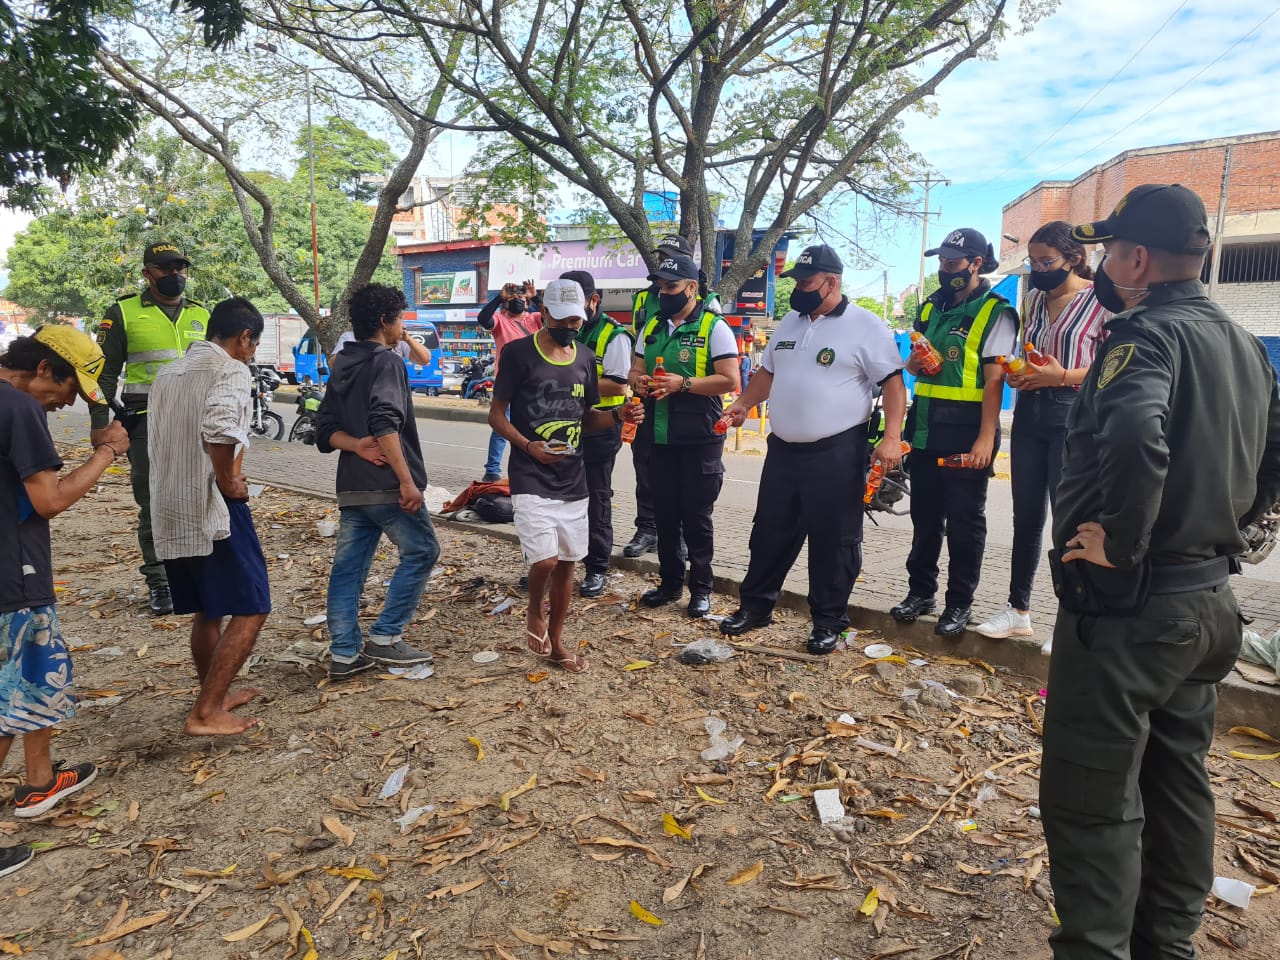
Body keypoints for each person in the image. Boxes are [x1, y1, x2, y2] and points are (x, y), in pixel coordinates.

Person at [1040, 183, 1280, 960]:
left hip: (1132, 614)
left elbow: (1135, 437)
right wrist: (1242, 527)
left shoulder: (1143, 336)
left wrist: (1122, 542)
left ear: (1138, 258)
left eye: (1111, 252)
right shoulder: (1243, 343)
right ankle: (1167, 945)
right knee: (1179, 783)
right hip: (1207, 604)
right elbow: (1274, 449)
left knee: (1092, 799)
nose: (1105, 268)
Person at [719, 245, 907, 653]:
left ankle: (828, 621)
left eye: (806, 282)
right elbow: (768, 372)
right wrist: (743, 404)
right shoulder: (790, 322)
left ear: (831, 281)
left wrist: (892, 438)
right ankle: (755, 607)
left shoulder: (865, 326)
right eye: (797, 282)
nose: (798, 289)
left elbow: (894, 384)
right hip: (783, 452)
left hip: (836, 452)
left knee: (834, 541)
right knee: (769, 532)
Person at [1, 327, 130, 877]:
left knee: (33, 673)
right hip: (13, 571)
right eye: (70, 387)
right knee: (12, 686)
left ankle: (40, 780)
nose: (69, 402)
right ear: (44, 369)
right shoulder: (19, 409)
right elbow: (49, 499)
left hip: (15, 567)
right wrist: (106, 453)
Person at [490, 278, 644, 671]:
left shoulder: (585, 358)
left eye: (576, 320)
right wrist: (528, 446)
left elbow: (587, 418)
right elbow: (496, 415)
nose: (569, 327)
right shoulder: (517, 353)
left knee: (568, 564)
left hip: (573, 478)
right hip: (530, 472)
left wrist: (618, 414)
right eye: (561, 320)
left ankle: (557, 643)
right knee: (544, 560)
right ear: (544, 313)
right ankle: (533, 610)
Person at [974, 222, 1110, 651]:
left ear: (1073, 258)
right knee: (1026, 517)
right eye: (1032, 262)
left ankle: (1073, 620)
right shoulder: (1032, 300)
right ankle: (1018, 611)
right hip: (1030, 414)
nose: (1038, 269)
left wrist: (1062, 375)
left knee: (1069, 521)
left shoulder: (1101, 301)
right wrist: (1021, 374)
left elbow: (1114, 365)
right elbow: (1027, 354)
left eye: (1046, 261)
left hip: (1074, 414)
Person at [148, 298, 272, 736]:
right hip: (211, 504)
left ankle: (213, 696)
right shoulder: (231, 369)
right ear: (244, 337)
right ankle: (205, 713)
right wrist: (227, 478)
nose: (252, 353)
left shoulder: (169, 372)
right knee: (253, 606)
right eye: (253, 345)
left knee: (208, 607)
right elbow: (220, 428)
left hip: (170, 503)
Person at [891, 227, 1017, 637]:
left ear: (976, 264)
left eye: (952, 263)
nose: (945, 270)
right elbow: (915, 363)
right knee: (925, 518)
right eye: (942, 263)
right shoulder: (931, 307)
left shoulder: (996, 311)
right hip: (926, 426)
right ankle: (920, 593)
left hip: (967, 430)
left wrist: (986, 438)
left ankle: (959, 602)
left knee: (964, 522)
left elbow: (995, 380)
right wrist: (912, 365)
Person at [316, 284, 441, 680]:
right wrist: (407, 481)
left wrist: (356, 445)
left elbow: (324, 429)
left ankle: (344, 653)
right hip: (387, 484)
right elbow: (385, 422)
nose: (402, 327)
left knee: (348, 569)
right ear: (386, 321)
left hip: (352, 486)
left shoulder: (342, 362)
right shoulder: (387, 361)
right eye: (400, 319)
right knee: (423, 550)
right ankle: (386, 636)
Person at [91, 241, 210, 615]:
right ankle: (161, 582)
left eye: (180, 267)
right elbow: (103, 375)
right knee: (154, 502)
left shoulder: (202, 315)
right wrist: (99, 426)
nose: (175, 274)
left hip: (196, 422)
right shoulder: (123, 313)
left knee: (202, 498)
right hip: (146, 422)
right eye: (166, 268)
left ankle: (198, 575)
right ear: (147, 273)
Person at [628, 253, 740, 617]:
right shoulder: (653, 326)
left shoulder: (713, 327)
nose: (664, 293)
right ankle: (670, 584)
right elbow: (635, 369)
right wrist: (639, 381)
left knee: (696, 518)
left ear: (692, 288)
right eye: (660, 287)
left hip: (699, 439)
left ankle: (701, 589)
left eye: (671, 286)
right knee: (664, 516)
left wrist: (684, 384)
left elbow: (730, 379)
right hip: (658, 436)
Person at [622, 234, 708, 560]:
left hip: (687, 405)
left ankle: (678, 535)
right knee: (645, 467)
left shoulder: (707, 301)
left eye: (671, 257)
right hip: (649, 398)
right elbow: (638, 347)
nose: (664, 264)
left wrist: (684, 383)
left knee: (684, 479)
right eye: (661, 258)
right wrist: (637, 379)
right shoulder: (645, 298)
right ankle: (647, 528)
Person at [559, 270, 634, 598]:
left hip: (601, 426)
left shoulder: (613, 335)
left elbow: (618, 384)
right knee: (558, 498)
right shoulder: (559, 329)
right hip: (562, 425)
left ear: (593, 300)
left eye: (577, 304)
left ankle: (597, 567)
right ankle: (556, 563)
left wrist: (568, 382)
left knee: (596, 497)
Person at [476, 280, 542, 482]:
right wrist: (499, 297)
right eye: (512, 297)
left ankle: (529, 467)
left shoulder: (534, 319)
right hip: (507, 381)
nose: (517, 299)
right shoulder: (500, 320)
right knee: (501, 426)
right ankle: (492, 470)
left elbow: (552, 317)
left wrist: (536, 298)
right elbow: (483, 318)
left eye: (521, 296)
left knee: (532, 426)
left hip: (533, 382)